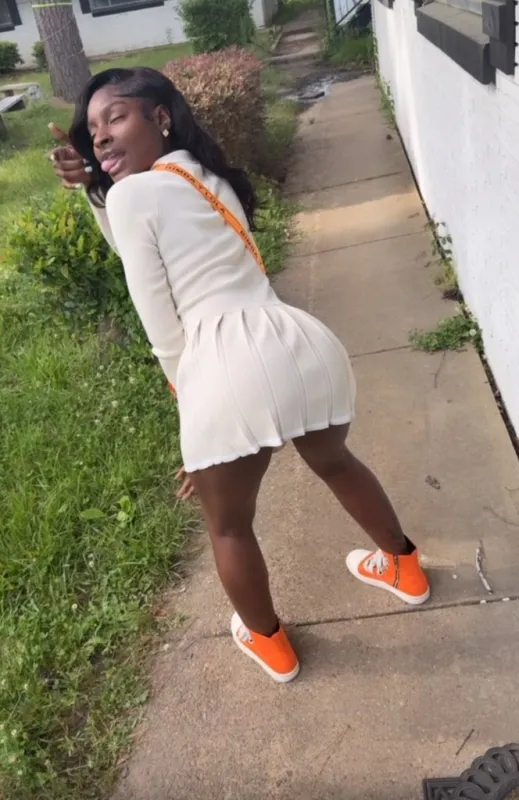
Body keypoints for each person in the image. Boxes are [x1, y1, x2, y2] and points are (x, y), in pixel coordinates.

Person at [49, 67, 430, 684]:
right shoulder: (207, 177)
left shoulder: (132, 196)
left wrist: (195, 418)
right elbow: (134, 229)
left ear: (160, 117)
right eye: (92, 130)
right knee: (337, 462)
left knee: (228, 525)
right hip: (299, 344)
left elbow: (161, 326)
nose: (100, 136)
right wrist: (97, 187)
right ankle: (405, 569)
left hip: (225, 369)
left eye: (114, 118)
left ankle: (269, 643)